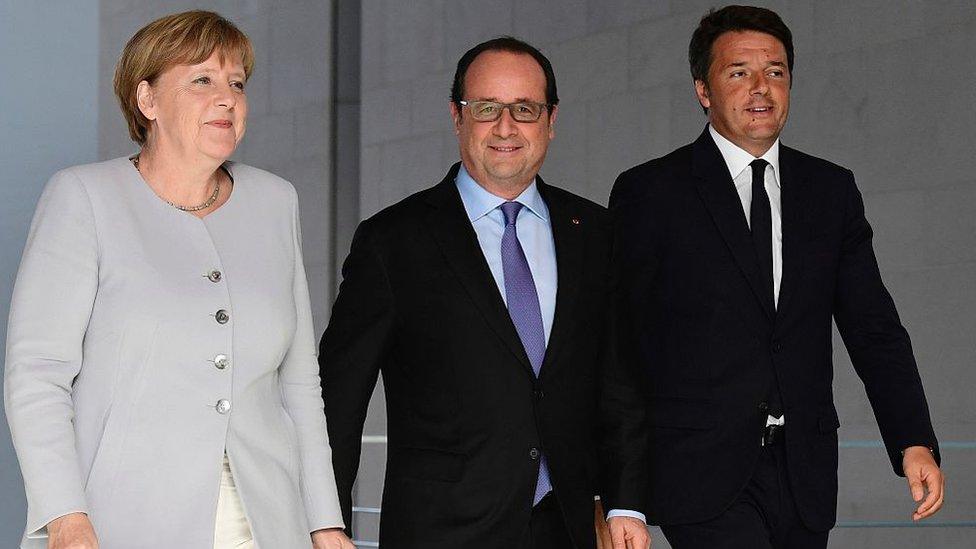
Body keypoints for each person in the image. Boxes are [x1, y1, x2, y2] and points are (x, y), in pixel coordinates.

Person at [3, 10, 354, 549]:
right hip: (119, 525)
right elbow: (37, 377)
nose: (227, 97)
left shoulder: (275, 201)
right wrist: (67, 521)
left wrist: (325, 524)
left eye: (236, 83)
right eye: (202, 80)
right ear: (147, 101)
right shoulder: (85, 198)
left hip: (269, 525)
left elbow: (299, 384)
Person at [609, 5, 944, 548]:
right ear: (703, 90)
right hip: (699, 474)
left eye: (776, 71)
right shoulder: (651, 193)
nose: (761, 87)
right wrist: (620, 493)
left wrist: (911, 438)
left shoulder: (830, 192)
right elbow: (621, 347)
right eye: (738, 72)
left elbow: (873, 326)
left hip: (805, 476)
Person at [318, 37, 649, 549]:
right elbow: (339, 398)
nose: (506, 127)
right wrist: (327, 520)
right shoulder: (393, 241)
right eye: (487, 108)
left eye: (524, 109)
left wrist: (625, 500)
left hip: (568, 528)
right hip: (440, 530)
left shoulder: (595, 232)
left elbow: (618, 380)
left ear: (551, 119)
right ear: (457, 116)